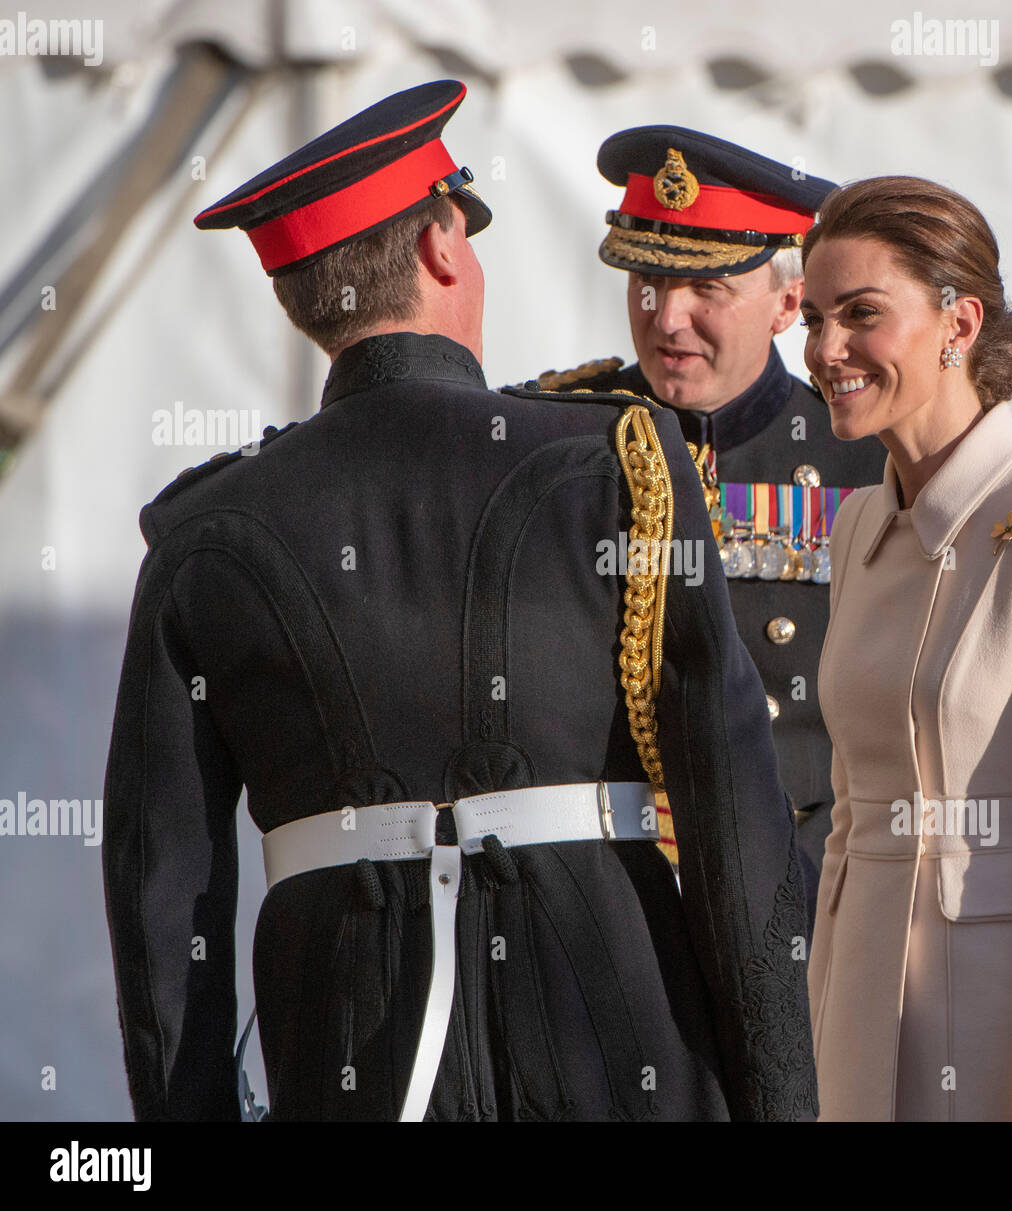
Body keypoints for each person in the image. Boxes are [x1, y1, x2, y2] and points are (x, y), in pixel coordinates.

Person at [100, 81, 816, 1122]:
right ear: (443, 248)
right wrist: (783, 1101)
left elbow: (162, 894)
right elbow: (733, 816)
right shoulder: (617, 463)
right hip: (616, 1041)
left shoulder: (201, 533)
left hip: (345, 1042)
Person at [800, 177, 1012, 1122]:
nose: (827, 350)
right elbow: (847, 815)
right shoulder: (855, 526)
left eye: (861, 315)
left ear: (960, 323)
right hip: (857, 1035)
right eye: (815, 318)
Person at [527, 127, 886, 913]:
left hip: (804, 886)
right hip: (604, 894)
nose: (669, 319)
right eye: (647, 284)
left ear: (789, 301)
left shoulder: (864, 458)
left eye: (707, 290)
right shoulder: (556, 439)